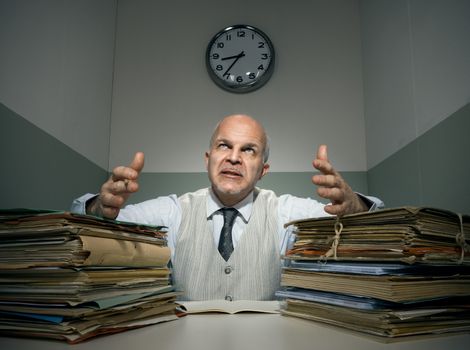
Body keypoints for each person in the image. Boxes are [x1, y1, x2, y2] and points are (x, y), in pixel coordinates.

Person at [72, 114, 383, 301]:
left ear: (263, 170)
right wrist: (102, 207)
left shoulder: (286, 212)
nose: (234, 158)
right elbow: (88, 224)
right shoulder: (172, 210)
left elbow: (375, 222)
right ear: (208, 159)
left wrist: (354, 205)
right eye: (225, 145)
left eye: (249, 150)